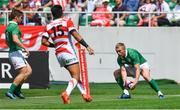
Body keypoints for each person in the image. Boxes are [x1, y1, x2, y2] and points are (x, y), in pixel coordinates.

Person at [41, 5, 94, 104]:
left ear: (52, 14)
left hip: (59, 54)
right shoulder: (66, 21)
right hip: (68, 51)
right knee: (76, 76)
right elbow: (75, 35)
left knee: (75, 76)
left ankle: (85, 94)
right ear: (61, 12)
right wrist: (87, 46)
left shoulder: (48, 26)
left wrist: (55, 45)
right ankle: (66, 93)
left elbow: (44, 42)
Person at [5, 8, 32, 100]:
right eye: (21, 17)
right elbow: (15, 39)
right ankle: (10, 91)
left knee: (28, 71)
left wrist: (14, 48)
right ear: (16, 17)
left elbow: (7, 42)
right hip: (15, 53)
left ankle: (17, 90)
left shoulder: (8, 26)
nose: (21, 19)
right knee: (23, 72)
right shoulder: (15, 26)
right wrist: (25, 48)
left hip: (14, 52)